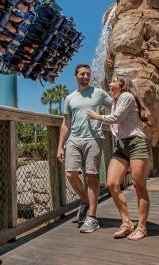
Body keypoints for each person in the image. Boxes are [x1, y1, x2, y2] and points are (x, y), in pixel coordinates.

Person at [87, 75, 152, 241]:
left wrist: (97, 116)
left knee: (139, 185)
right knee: (112, 183)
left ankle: (142, 227)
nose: (110, 83)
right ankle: (127, 222)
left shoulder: (126, 96)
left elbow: (115, 118)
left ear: (123, 85)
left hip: (136, 143)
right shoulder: (116, 101)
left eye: (114, 80)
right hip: (122, 146)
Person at [57, 64, 112, 233]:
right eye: (82, 74)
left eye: (88, 74)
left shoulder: (99, 93)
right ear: (76, 76)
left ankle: (93, 218)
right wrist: (60, 146)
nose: (85, 77)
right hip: (74, 139)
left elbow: (116, 107)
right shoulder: (70, 98)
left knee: (92, 177)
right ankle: (84, 200)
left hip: (94, 139)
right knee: (70, 174)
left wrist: (103, 118)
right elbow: (66, 124)